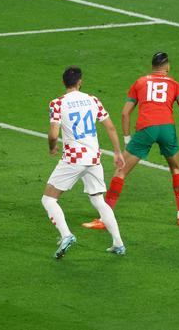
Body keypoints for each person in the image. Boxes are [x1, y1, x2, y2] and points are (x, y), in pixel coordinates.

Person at [83, 52, 179, 230]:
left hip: (146, 128)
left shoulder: (140, 82)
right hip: (167, 129)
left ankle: (104, 219)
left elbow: (125, 113)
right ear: (167, 66)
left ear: (152, 66)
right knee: (175, 168)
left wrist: (127, 139)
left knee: (121, 171)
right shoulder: (175, 84)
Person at [42, 67, 126, 259]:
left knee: (48, 199)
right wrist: (117, 152)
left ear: (64, 83)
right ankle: (118, 243)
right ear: (80, 81)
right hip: (94, 158)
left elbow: (53, 133)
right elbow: (111, 127)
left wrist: (52, 147)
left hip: (73, 158)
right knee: (98, 200)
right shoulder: (93, 100)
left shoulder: (57, 103)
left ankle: (66, 235)